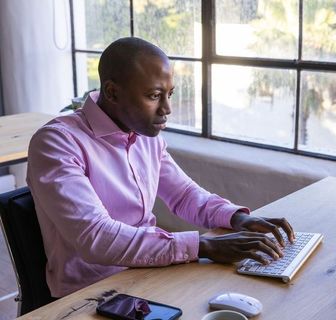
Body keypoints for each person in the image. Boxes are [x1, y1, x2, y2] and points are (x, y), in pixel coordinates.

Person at [27, 37, 295, 298]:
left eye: (169, 94)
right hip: (93, 293)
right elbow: (95, 237)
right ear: (112, 92)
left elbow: (183, 195)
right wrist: (204, 245)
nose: (167, 108)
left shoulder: (144, 136)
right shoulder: (57, 142)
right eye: (154, 96)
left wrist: (238, 219)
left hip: (150, 270)